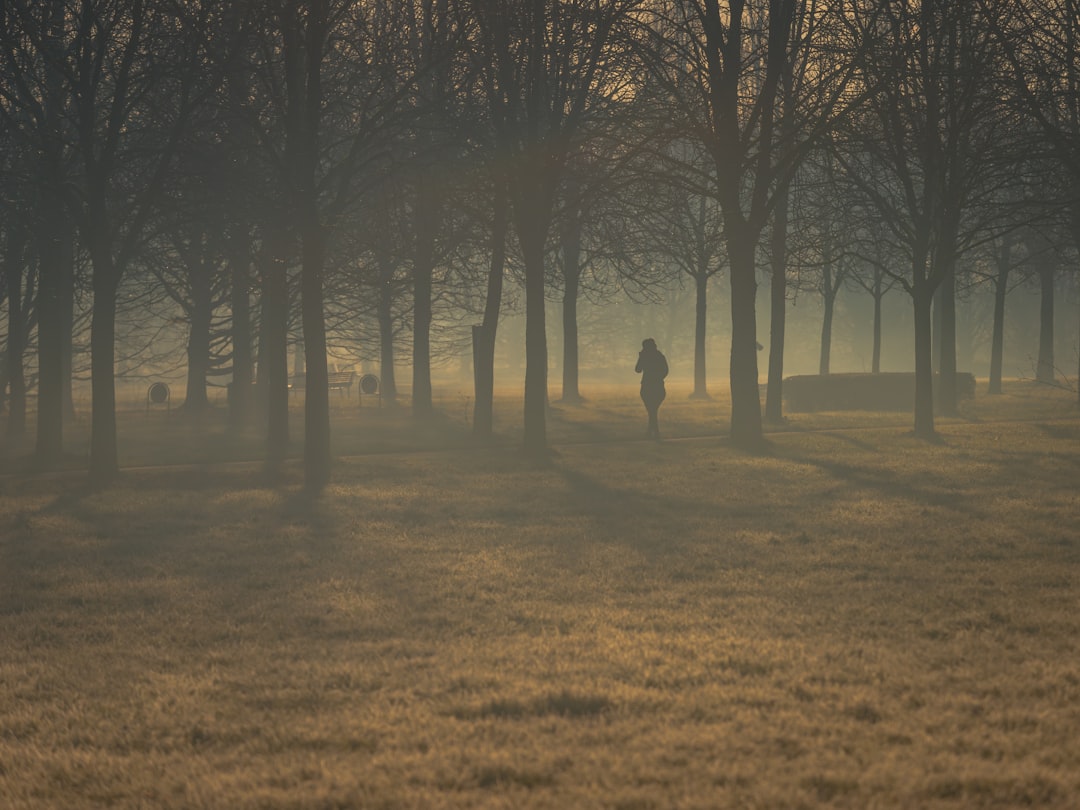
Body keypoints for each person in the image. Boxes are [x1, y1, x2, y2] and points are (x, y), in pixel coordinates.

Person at [635, 338, 668, 439]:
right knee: (652, 411)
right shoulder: (660, 356)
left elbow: (637, 370)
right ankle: (653, 432)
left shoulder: (645, 357)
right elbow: (666, 371)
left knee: (651, 411)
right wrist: (658, 378)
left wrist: (640, 358)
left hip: (647, 387)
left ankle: (653, 432)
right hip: (658, 387)